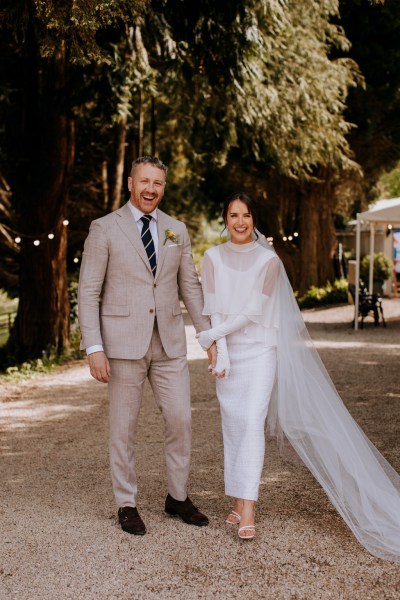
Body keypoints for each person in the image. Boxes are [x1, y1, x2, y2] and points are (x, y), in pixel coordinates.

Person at [197, 192, 400, 561]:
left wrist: (210, 337)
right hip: (229, 352)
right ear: (224, 218)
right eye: (232, 215)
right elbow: (212, 310)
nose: (239, 222)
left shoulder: (269, 261)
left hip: (260, 351)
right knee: (232, 423)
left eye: (245, 215)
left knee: (252, 421)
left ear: (254, 220)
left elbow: (253, 312)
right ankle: (238, 500)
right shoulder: (211, 258)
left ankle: (249, 508)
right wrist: (219, 349)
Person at [78, 155, 216, 536]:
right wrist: (94, 347)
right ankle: (126, 502)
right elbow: (88, 291)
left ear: (163, 187)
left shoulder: (176, 230)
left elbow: (190, 287)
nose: (151, 189)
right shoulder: (104, 228)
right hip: (122, 346)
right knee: (124, 428)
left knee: (181, 420)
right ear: (130, 183)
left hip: (170, 343)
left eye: (158, 183)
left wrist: (207, 337)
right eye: (145, 181)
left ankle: (177, 496)